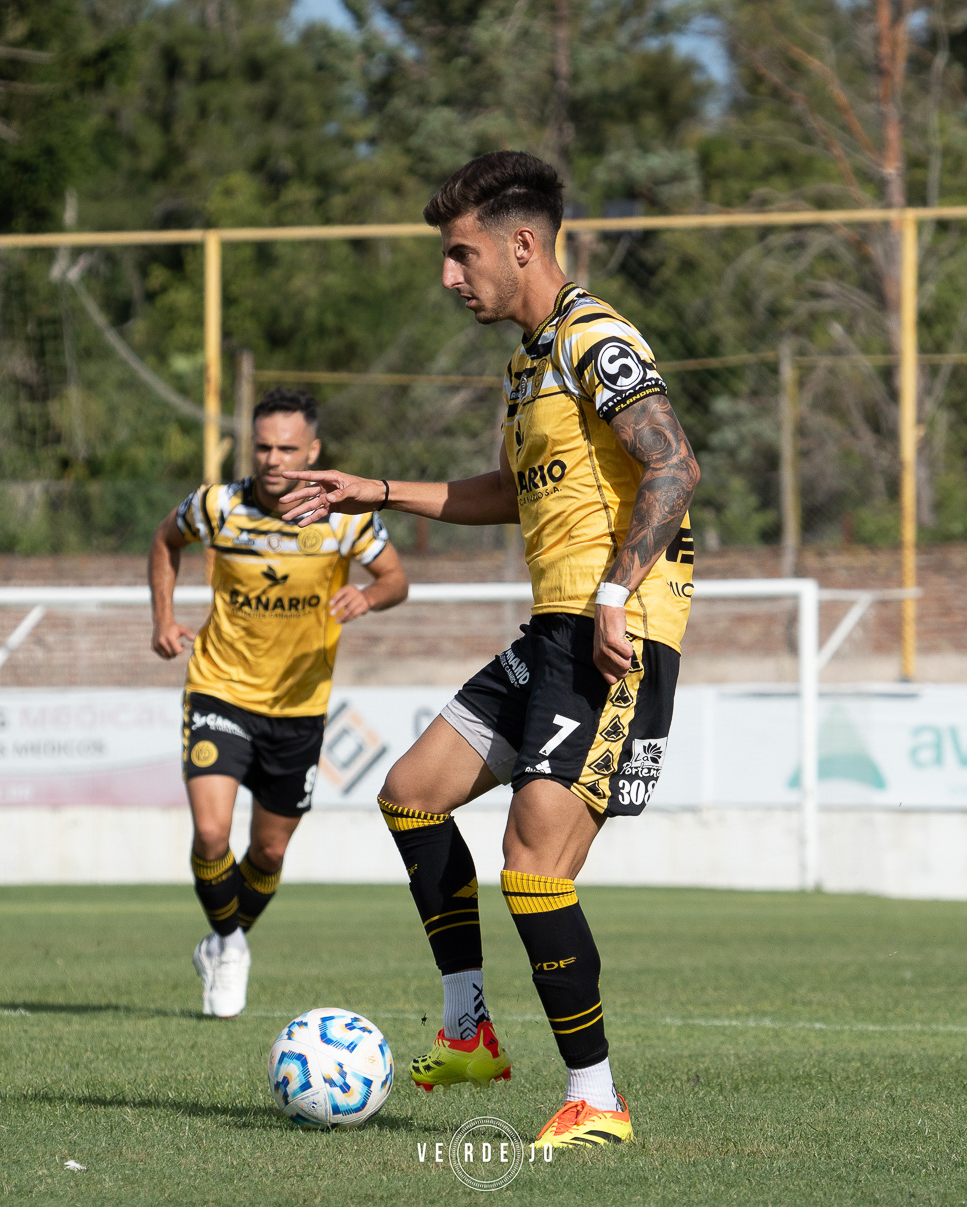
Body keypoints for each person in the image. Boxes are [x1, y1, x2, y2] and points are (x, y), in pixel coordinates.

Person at [280, 151, 699, 1151]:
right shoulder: (529, 360)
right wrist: (373, 489)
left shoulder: (596, 339)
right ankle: (468, 1030)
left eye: (461, 254)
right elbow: (511, 492)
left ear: (523, 244)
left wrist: (612, 595)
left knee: (532, 868)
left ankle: (596, 1100)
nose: (449, 276)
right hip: (554, 631)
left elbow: (674, 463)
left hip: (613, 639)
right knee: (411, 790)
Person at [150, 388, 408, 1018]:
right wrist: (163, 617)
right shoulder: (217, 507)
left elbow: (396, 579)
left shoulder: (344, 519)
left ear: (312, 451)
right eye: (263, 446)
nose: (272, 459)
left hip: (298, 705)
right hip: (219, 688)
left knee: (267, 852)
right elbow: (164, 541)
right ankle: (232, 946)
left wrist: (367, 599)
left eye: (287, 448)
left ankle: (219, 940)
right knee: (212, 832)